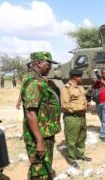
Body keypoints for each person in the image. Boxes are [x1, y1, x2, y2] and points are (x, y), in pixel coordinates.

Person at [20, 51, 61, 179]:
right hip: (40, 135)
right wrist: (39, 140)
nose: (50, 68)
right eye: (48, 64)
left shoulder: (39, 80)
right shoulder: (34, 83)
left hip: (45, 132)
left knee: (43, 167)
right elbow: (30, 112)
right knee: (40, 171)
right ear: (38, 63)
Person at [61, 69, 91, 169]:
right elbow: (65, 105)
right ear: (75, 77)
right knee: (72, 140)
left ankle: (80, 154)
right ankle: (72, 159)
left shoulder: (80, 87)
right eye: (80, 77)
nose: (81, 78)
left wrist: (87, 103)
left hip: (82, 117)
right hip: (72, 118)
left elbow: (82, 98)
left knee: (82, 136)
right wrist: (81, 107)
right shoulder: (67, 88)